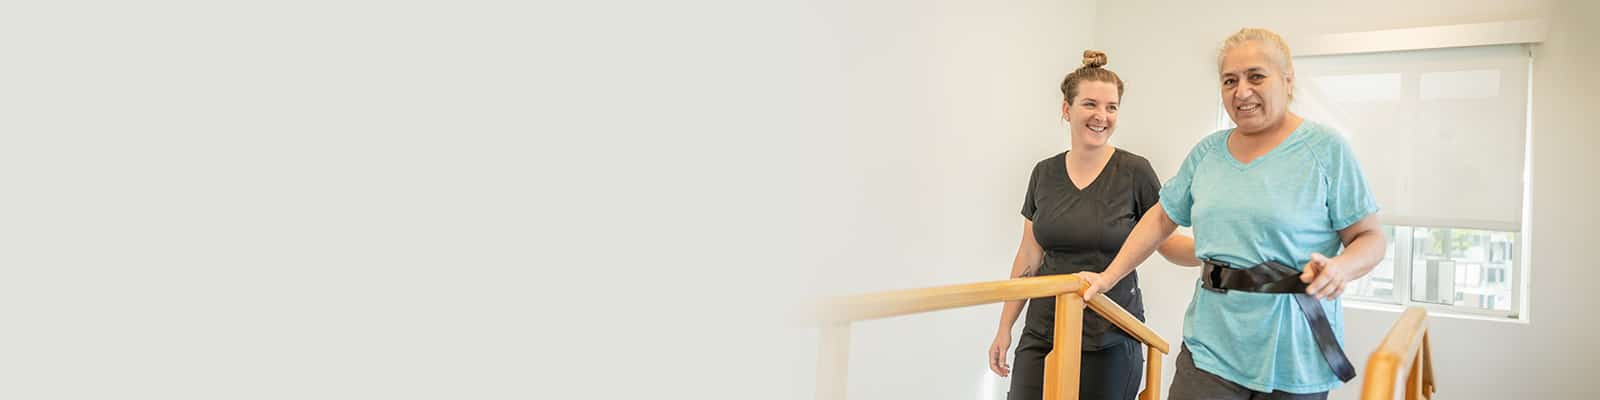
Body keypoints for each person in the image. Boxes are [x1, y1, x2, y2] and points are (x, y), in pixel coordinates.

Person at [1075, 28, 1388, 400]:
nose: (1242, 91)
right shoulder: (1208, 152)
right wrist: (1108, 277)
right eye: (1230, 80)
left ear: (1287, 81)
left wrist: (1341, 268)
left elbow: (1370, 238)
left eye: (1256, 76)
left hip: (1293, 350)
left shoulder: (1326, 149)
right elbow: (1161, 218)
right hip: (1210, 347)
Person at [988, 49, 1199, 400]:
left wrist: (1217, 252)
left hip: (1111, 336)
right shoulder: (1044, 173)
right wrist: (1004, 326)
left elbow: (1164, 239)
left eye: (1111, 107)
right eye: (1090, 104)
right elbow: (1028, 255)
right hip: (1043, 332)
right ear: (1066, 109)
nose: (1101, 116)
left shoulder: (1135, 171)